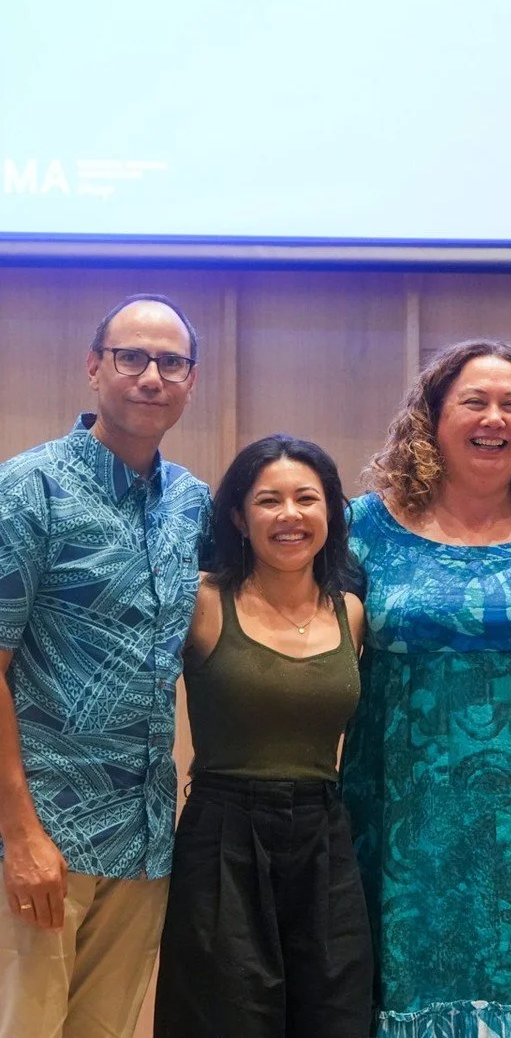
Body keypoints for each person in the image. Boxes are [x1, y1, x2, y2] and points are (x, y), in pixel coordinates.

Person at [340, 340, 511, 1037]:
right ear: (431, 419)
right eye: (474, 401)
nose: (494, 418)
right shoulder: (362, 528)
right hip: (405, 810)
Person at [0, 295, 209, 1038]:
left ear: (190, 380)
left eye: (171, 362)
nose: (151, 376)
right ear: (95, 368)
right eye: (131, 357)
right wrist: (20, 836)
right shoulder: (29, 490)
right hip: (44, 836)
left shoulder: (192, 505)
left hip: (144, 839)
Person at [154, 434, 373, 1037]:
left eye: (307, 499)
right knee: (224, 1019)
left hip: (324, 837)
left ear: (329, 511)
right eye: (268, 501)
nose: (290, 516)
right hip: (223, 835)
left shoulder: (351, 611)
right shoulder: (201, 601)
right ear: (237, 517)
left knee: (335, 1016)